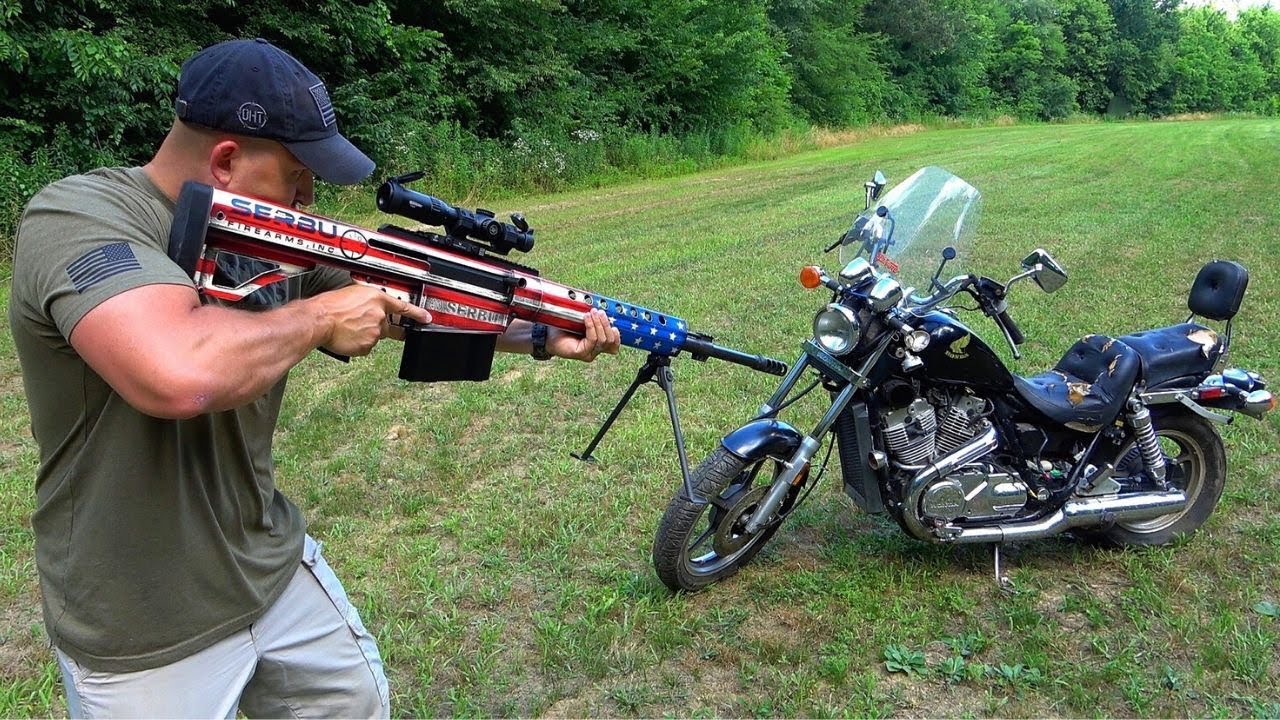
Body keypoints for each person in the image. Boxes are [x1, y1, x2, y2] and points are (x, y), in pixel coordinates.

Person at [8, 37, 620, 718]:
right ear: (227, 161)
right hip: (140, 619)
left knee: (356, 704)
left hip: (265, 563)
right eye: (298, 177)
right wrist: (320, 316)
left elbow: (413, 295)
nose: (308, 200)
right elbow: (177, 372)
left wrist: (543, 331)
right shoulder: (80, 218)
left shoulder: (276, 233)